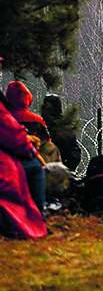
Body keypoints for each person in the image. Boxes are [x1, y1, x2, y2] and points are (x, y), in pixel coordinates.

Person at [0, 63, 47, 239]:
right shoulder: (36, 119)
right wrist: (31, 150)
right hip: (14, 156)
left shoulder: (8, 111)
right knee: (35, 168)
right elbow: (14, 135)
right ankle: (37, 216)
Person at [4, 81, 47, 214]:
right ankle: (40, 208)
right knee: (37, 168)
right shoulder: (37, 119)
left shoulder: (6, 116)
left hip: (9, 159)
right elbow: (47, 141)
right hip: (29, 155)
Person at [41, 94, 82, 171]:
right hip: (63, 171)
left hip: (42, 170)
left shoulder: (39, 125)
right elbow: (74, 154)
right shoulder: (66, 128)